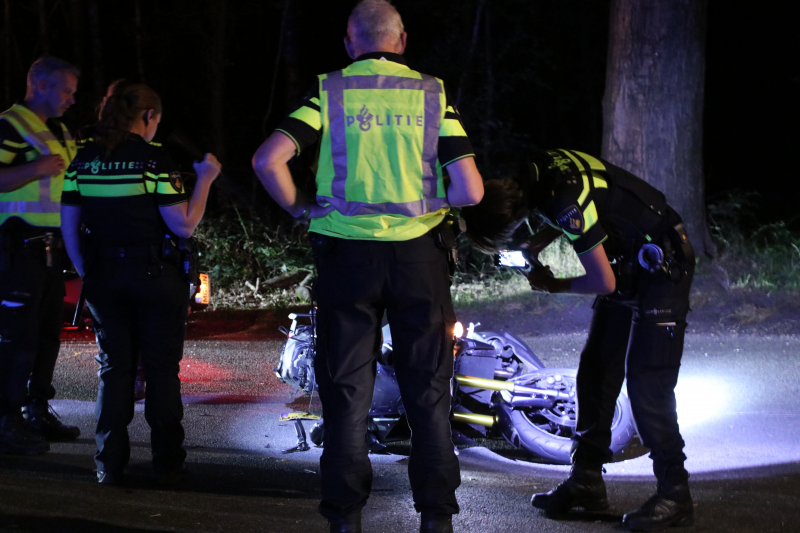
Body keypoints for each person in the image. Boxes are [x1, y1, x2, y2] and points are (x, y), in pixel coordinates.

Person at [253, 1, 483, 531]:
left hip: (345, 259)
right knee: (427, 390)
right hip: (418, 259)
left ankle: (344, 518)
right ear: (401, 40)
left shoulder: (329, 90)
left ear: (350, 43)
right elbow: (470, 188)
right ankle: (437, 518)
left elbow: (267, 159)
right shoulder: (431, 93)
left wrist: (299, 206)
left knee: (345, 392)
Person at [461, 148, 695, 531]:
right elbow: (585, 204)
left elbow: (603, 281)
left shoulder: (560, 201)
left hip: (661, 263)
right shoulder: (536, 171)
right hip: (630, 258)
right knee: (595, 373)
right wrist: (538, 242)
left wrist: (553, 285)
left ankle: (675, 494)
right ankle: (585, 480)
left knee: (647, 386)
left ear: (506, 224)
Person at [60, 83, 221, 486]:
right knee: (162, 371)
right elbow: (182, 223)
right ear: (148, 117)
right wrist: (205, 179)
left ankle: (108, 464)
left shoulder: (83, 161)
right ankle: (168, 464)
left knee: (113, 372)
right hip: (155, 278)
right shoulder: (153, 160)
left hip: (104, 278)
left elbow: (70, 228)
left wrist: (88, 273)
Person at [0, 56, 82, 455]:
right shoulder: (10, 126)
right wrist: (34, 169)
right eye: (66, 90)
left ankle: (36, 410)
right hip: (18, 250)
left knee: (48, 335)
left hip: (52, 251)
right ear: (39, 84)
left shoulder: (61, 130)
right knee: (18, 339)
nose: (71, 99)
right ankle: (7, 419)